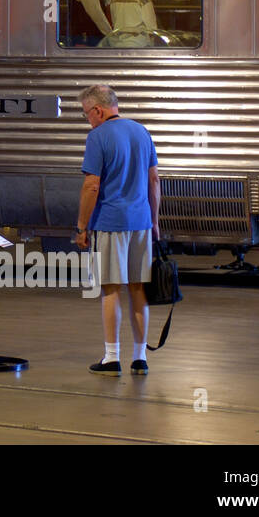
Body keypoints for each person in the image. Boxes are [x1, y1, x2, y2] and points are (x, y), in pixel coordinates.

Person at [73, 84, 160, 375]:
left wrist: (81, 226)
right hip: (142, 222)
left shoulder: (98, 136)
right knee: (138, 289)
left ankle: (112, 357)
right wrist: (155, 221)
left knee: (110, 289)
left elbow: (91, 185)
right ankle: (140, 358)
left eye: (87, 114)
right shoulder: (142, 132)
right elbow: (154, 182)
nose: (88, 120)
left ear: (98, 110)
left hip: (110, 222)